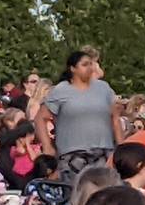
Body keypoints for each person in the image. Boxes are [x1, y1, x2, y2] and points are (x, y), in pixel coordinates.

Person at [35, 50, 121, 181]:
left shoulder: (103, 88)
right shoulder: (61, 90)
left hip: (103, 152)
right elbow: (40, 118)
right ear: (73, 68)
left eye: (91, 64)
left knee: (104, 194)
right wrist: (47, 146)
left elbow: (115, 118)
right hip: (73, 154)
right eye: (85, 64)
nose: (90, 68)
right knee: (76, 194)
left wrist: (121, 146)